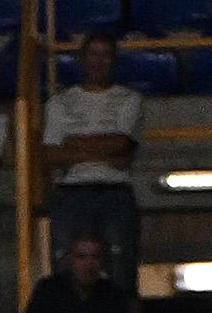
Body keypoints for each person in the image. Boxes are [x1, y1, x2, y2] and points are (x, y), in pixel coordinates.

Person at [40, 31, 143, 281]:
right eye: (93, 54)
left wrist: (73, 145)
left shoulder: (130, 99)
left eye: (105, 55)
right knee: (65, 269)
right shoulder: (59, 103)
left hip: (114, 192)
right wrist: (105, 146)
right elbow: (52, 155)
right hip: (70, 192)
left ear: (114, 60)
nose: (98, 61)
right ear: (82, 59)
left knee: (121, 268)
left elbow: (120, 146)